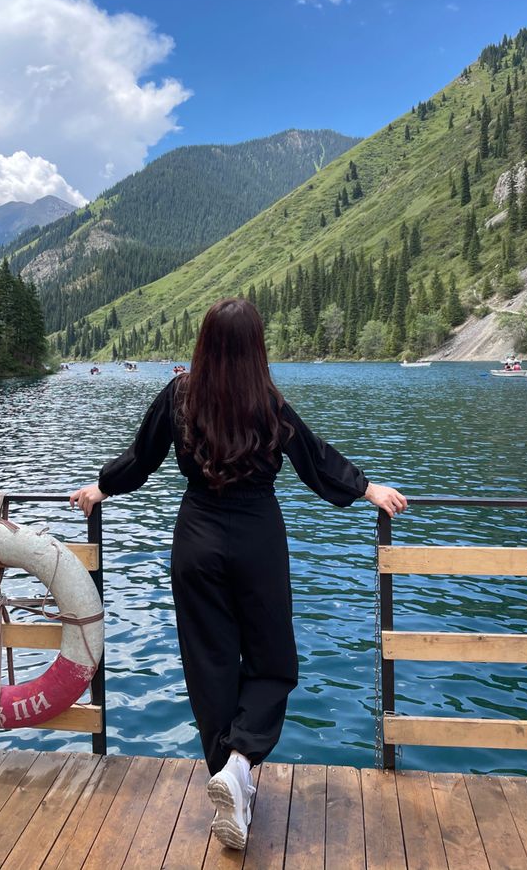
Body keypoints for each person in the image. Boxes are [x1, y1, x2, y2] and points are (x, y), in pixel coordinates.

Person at [70, 298, 407, 851]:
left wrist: (101, 487)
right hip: (256, 538)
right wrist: (367, 488)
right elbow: (315, 461)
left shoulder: (179, 394)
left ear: (203, 342)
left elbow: (142, 456)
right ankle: (241, 765)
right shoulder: (267, 400)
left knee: (211, 665)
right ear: (257, 346)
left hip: (196, 538)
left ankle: (231, 779)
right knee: (273, 662)